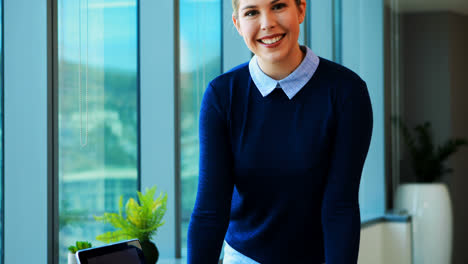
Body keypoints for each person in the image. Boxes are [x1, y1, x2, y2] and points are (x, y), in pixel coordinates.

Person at [187, 0, 373, 263]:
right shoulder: (221, 95)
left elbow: (340, 207)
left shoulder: (347, 92)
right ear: (238, 24)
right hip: (244, 257)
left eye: (278, 6)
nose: (267, 23)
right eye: (252, 12)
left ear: (301, 9)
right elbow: (210, 210)